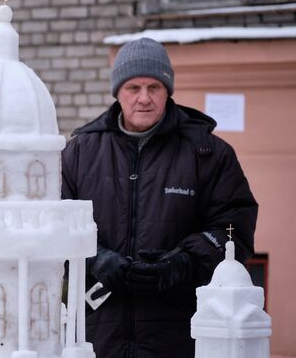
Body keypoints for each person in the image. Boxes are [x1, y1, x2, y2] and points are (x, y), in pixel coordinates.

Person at [61, 37, 258, 358]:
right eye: (133, 87)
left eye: (154, 87)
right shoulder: (80, 152)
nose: (144, 98)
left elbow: (234, 227)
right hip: (98, 332)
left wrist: (182, 263)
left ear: (168, 90)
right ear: (117, 92)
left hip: (180, 330)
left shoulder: (208, 153)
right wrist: (96, 259)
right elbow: (56, 224)